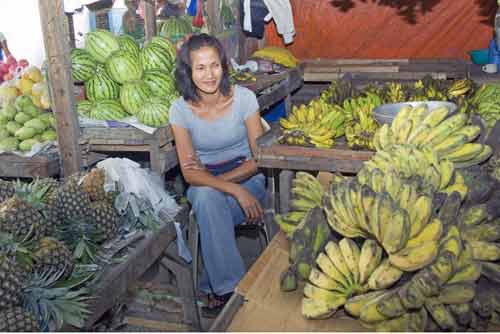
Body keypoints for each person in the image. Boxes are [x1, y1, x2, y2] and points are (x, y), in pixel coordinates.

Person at [169, 34, 266, 316]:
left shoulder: (244, 99)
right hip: (221, 189)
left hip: (249, 179)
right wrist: (234, 190)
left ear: (224, 66)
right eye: (200, 67)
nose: (209, 74)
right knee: (207, 199)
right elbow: (189, 173)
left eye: (214, 65)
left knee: (208, 203)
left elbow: (258, 158)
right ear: (188, 71)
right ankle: (230, 289)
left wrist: (231, 184)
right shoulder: (179, 110)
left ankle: (215, 284)